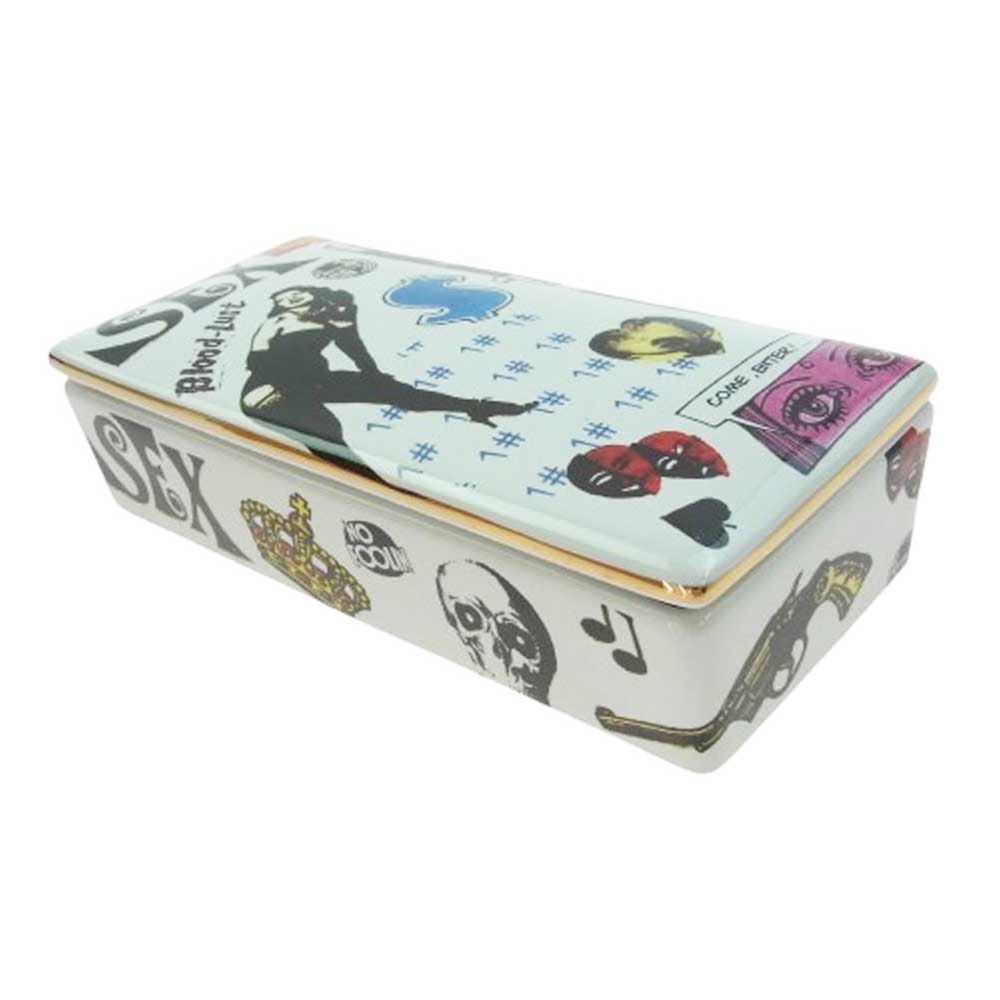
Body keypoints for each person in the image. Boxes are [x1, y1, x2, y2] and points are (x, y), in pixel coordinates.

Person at [241, 286, 535, 447]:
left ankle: (475, 406)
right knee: (326, 431)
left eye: (297, 292)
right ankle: (361, 482)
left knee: (400, 393)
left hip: (318, 378)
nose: (289, 297)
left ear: (312, 293)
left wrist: (375, 377)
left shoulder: (337, 313)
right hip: (270, 386)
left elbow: (354, 348)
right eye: (282, 297)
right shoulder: (277, 322)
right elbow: (256, 361)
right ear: (279, 304)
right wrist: (278, 386)